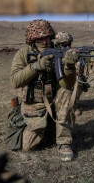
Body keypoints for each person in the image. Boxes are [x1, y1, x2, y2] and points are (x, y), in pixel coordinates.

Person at [10, 20, 78, 162]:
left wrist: (70, 68)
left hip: (55, 103)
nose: (45, 41)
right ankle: (47, 129)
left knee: (65, 92)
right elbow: (15, 81)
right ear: (31, 39)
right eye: (40, 38)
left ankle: (64, 142)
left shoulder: (58, 50)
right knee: (26, 147)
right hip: (33, 106)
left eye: (47, 37)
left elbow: (66, 84)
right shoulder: (23, 53)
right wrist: (35, 66)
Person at [52, 31, 89, 117]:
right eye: (64, 45)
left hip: (69, 82)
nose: (68, 47)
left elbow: (82, 67)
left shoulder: (72, 54)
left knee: (79, 81)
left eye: (69, 44)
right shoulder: (55, 55)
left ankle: (73, 104)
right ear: (57, 45)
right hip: (56, 85)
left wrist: (77, 60)